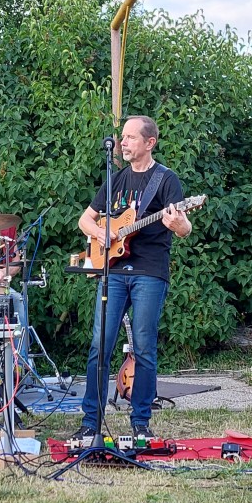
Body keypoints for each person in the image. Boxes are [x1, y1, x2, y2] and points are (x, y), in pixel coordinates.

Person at [73, 115, 193, 440]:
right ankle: (91, 419)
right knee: (99, 346)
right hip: (112, 270)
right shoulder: (116, 179)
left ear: (150, 143)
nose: (123, 142)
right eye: (122, 137)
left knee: (144, 347)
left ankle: (141, 420)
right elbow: (85, 219)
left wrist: (179, 225)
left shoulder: (165, 179)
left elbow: (184, 227)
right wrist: (100, 233)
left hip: (149, 271)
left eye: (130, 137)